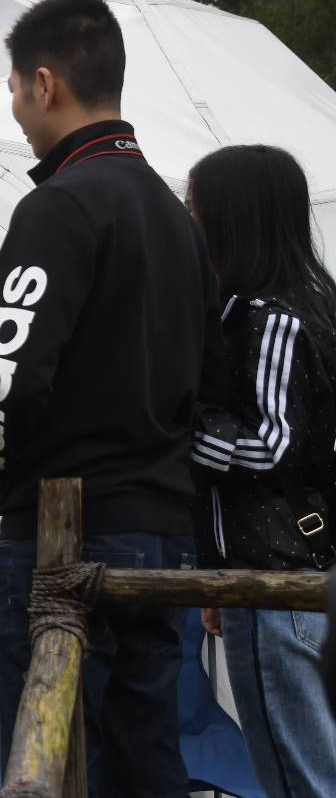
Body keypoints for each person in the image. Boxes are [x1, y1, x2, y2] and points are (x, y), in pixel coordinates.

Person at [0, 0, 223, 796]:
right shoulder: (175, 216)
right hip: (162, 535)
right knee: (146, 759)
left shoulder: (59, 205)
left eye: (14, 90)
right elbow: (212, 378)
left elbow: (7, 375)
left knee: (52, 762)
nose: (17, 110)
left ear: (45, 82)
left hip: (67, 539)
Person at [187, 144, 336, 797]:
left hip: (278, 576)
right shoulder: (290, 304)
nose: (188, 221)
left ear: (233, 216)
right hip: (271, 573)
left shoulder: (272, 318)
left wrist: (180, 429)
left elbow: (271, 447)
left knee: (301, 776)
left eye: (195, 207)